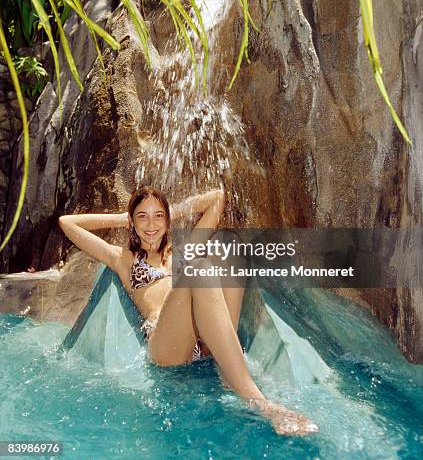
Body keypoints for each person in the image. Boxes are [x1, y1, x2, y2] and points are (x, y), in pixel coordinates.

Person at [58, 185, 319, 436]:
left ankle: (226, 364)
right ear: (133, 223)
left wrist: (170, 212)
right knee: (201, 268)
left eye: (158, 217)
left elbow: (217, 198)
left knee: (229, 242)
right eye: (143, 217)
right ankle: (259, 402)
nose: (151, 225)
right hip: (167, 341)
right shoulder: (123, 258)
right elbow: (67, 223)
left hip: (204, 339)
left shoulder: (183, 251)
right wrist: (120, 218)